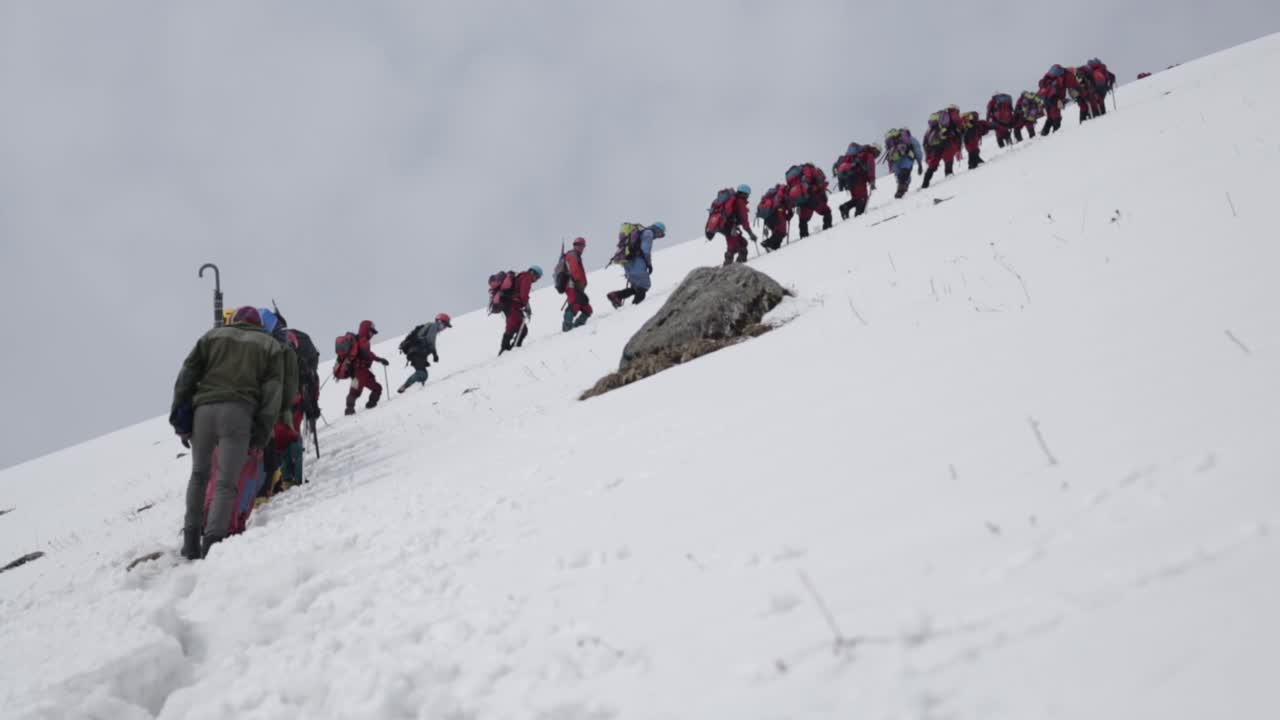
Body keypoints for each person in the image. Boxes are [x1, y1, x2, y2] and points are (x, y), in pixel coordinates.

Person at [170, 306, 284, 559]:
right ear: (258, 325)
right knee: (225, 481)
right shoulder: (269, 345)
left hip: (203, 412)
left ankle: (190, 540)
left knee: (199, 475)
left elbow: (187, 375)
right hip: (239, 413)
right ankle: (213, 541)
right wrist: (261, 434)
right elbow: (272, 393)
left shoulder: (212, 336)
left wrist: (179, 418)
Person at [607, 222, 663, 306]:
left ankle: (616, 295)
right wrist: (649, 264)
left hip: (627, 262)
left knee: (636, 287)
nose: (658, 237)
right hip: (638, 261)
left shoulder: (641, 232)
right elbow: (645, 250)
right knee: (644, 286)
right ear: (657, 229)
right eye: (660, 234)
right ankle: (634, 307)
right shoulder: (649, 233)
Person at [397, 313, 451, 393]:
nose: (444, 328)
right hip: (417, 352)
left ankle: (418, 391)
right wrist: (434, 354)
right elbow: (430, 341)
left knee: (423, 373)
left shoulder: (430, 326)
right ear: (440, 322)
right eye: (445, 325)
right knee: (422, 374)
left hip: (417, 353)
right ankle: (405, 387)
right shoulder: (433, 326)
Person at [344, 320, 388, 415]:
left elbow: (367, 353)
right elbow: (367, 354)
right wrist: (379, 359)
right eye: (371, 331)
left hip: (357, 371)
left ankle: (359, 409)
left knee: (372, 388)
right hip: (361, 371)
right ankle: (351, 411)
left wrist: (379, 359)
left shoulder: (358, 340)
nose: (372, 334)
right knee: (358, 391)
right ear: (366, 330)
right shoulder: (363, 340)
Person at [706, 184, 756, 265]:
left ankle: (740, 262)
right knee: (733, 247)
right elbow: (744, 220)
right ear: (744, 193)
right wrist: (750, 233)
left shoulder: (732, 200)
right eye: (747, 194)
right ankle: (728, 266)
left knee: (742, 243)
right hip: (729, 226)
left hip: (725, 226)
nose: (748, 196)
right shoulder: (740, 202)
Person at [499, 265, 542, 354]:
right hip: (512, 305)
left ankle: (511, 349)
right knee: (513, 327)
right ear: (533, 273)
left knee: (521, 329)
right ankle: (505, 351)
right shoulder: (526, 277)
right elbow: (523, 295)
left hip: (512, 305)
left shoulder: (521, 276)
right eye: (537, 277)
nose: (536, 280)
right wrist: (527, 306)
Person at [834, 143, 881, 220]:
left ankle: (845, 208)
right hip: (856, 178)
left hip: (849, 177)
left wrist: (868, 180)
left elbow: (864, 169)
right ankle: (858, 216)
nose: (877, 156)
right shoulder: (869, 155)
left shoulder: (860, 154)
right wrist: (872, 181)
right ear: (875, 149)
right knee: (862, 198)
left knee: (858, 197)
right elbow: (870, 169)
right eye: (878, 153)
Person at [785, 164, 833, 239]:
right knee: (826, 211)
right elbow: (817, 182)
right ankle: (828, 228)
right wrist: (818, 187)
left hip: (801, 200)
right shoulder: (809, 169)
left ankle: (803, 236)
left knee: (803, 219)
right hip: (811, 196)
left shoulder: (795, 178)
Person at [922, 106, 963, 189]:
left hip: (935, 145)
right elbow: (959, 129)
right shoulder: (952, 115)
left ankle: (925, 183)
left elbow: (925, 142)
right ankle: (949, 176)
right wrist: (959, 148)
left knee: (933, 163)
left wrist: (927, 155)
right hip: (947, 140)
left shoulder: (932, 128)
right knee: (948, 158)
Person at [561, 237, 592, 331]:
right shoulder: (572, 255)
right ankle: (567, 325)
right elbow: (574, 270)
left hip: (576, 284)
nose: (581, 248)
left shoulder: (575, 255)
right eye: (579, 245)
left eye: (583, 246)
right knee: (574, 303)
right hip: (572, 284)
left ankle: (577, 327)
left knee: (587, 309)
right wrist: (578, 282)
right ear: (575, 246)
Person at [885, 128, 924, 199]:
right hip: (907, 158)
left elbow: (889, 158)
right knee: (905, 174)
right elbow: (917, 150)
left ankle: (901, 192)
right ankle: (901, 192)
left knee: (902, 176)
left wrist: (891, 168)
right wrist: (919, 163)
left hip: (896, 161)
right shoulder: (910, 139)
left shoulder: (892, 143)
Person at [757, 185, 792, 251]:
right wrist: (790, 212)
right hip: (778, 214)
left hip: (768, 217)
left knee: (776, 233)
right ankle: (767, 243)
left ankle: (774, 247)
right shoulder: (782, 192)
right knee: (781, 232)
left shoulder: (771, 195)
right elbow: (787, 202)